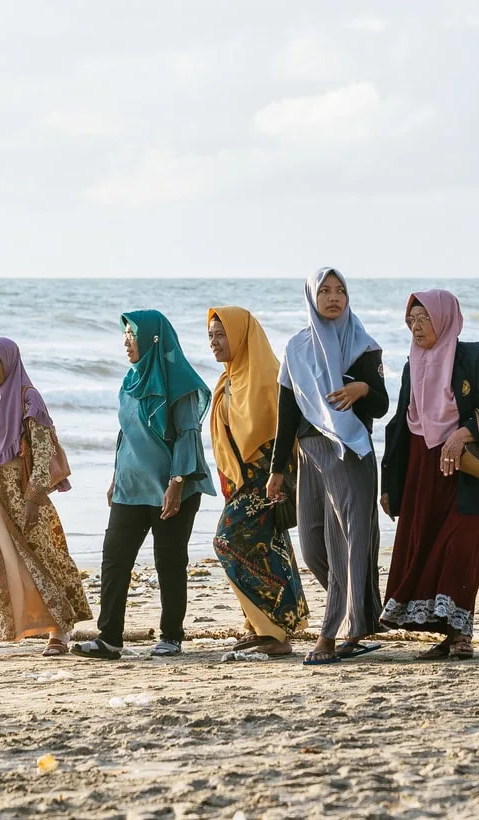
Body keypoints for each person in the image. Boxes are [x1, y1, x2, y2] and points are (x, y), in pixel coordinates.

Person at [71, 310, 216, 660]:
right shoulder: (130, 380)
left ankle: (171, 635)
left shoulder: (177, 381)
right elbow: (127, 433)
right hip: (131, 487)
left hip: (172, 487)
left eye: (132, 334)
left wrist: (177, 483)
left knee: (168, 561)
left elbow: (187, 435)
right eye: (124, 334)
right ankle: (109, 639)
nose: (126, 341)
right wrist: (115, 477)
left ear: (152, 338)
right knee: (115, 558)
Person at [380, 290, 479, 660]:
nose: (417, 327)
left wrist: (463, 432)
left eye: (424, 318)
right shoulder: (412, 363)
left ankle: (461, 634)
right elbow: (401, 426)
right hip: (423, 471)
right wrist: (389, 485)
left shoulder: (472, 355)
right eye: (411, 321)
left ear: (443, 318)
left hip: (467, 471)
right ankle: (447, 635)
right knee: (425, 548)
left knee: (459, 548)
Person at [267, 267, 388, 665]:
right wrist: (277, 469)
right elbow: (286, 413)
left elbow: (382, 406)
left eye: (340, 290)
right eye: (325, 291)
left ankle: (331, 635)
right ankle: (362, 617)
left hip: (350, 452)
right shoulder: (296, 348)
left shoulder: (363, 346)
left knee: (345, 547)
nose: (333, 297)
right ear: (311, 297)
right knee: (313, 545)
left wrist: (362, 388)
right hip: (309, 454)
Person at [0, 338, 92, 662]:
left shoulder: (29, 399)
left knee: (44, 559)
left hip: (23, 495)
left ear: (11, 362)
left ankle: (59, 630)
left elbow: (43, 452)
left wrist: (33, 499)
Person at [208, 306, 309, 656]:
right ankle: (266, 629)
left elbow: (286, 432)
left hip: (267, 480)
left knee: (226, 542)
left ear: (239, 336)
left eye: (221, 335)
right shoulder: (228, 380)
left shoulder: (267, 376)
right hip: (240, 483)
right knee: (269, 553)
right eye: (211, 336)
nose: (214, 343)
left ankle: (275, 631)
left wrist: (280, 478)